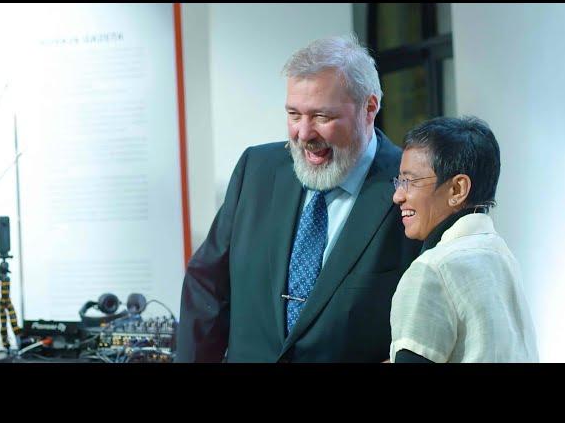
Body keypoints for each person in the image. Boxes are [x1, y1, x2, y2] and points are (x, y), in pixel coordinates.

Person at [176, 34, 422, 362]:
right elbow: (207, 286)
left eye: (322, 117)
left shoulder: (411, 189)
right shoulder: (256, 170)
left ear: (369, 108)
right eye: (294, 114)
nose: (303, 134)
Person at [390, 116, 539, 363]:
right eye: (400, 181)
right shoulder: (501, 255)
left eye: (410, 181)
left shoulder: (433, 269)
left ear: (457, 189)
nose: (398, 195)